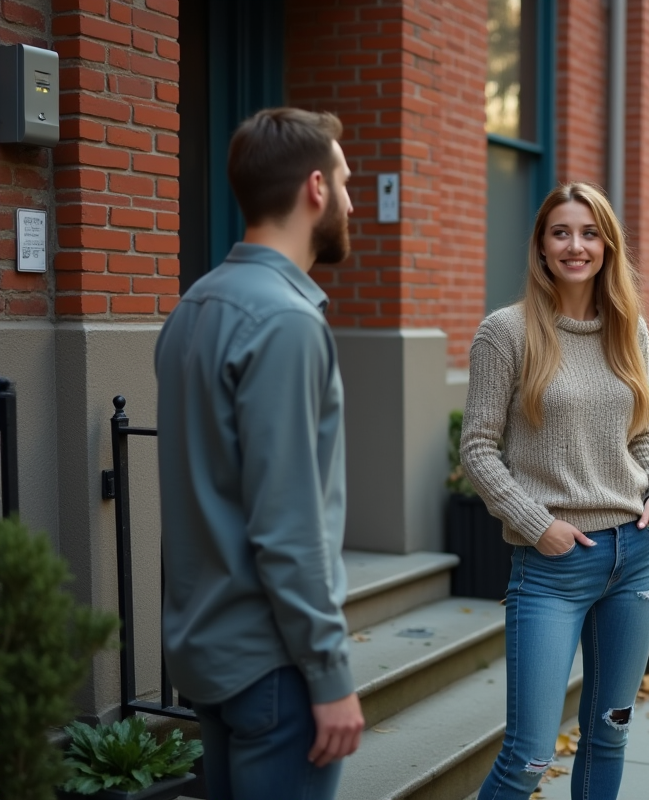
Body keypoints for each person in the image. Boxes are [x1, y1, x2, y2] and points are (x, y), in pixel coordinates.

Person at [155, 107, 364, 800]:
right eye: (344, 181)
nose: (352, 201)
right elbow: (288, 526)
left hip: (211, 656)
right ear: (314, 190)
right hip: (275, 669)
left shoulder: (195, 306)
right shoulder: (286, 323)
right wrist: (330, 677)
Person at [461, 182, 649, 800]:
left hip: (635, 558)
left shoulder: (628, 330)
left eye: (590, 233)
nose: (576, 245)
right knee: (529, 757)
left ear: (608, 246)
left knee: (607, 735)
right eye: (561, 232)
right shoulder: (503, 334)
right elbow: (478, 450)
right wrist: (538, 525)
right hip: (553, 567)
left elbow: (641, 432)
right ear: (541, 244)